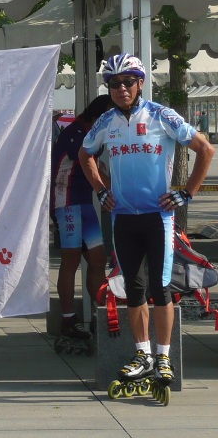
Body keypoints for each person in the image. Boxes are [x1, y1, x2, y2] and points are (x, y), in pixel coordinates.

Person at [78, 53, 215, 384]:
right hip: (124, 218)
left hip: (158, 218)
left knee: (161, 287)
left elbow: (205, 149)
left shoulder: (160, 115)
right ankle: (143, 354)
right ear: (108, 88)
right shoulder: (105, 122)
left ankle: (164, 357)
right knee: (133, 290)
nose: (121, 89)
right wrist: (100, 190)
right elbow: (86, 154)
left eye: (127, 82)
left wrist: (188, 193)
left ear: (140, 83)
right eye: (114, 84)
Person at [51, 94, 112, 344]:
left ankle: (101, 316)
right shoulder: (77, 131)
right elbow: (91, 169)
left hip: (84, 204)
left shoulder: (92, 133)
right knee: (71, 260)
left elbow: (100, 169)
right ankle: (68, 319)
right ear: (97, 115)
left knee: (98, 259)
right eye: (109, 117)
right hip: (66, 203)